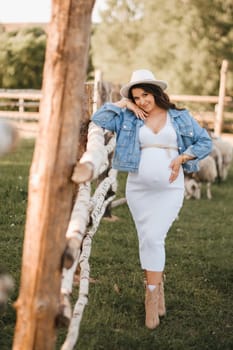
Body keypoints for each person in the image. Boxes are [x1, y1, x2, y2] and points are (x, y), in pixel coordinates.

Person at [91, 69, 212, 329]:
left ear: (156, 93)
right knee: (147, 239)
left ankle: (151, 296)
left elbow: (205, 142)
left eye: (146, 95)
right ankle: (157, 292)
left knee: (154, 237)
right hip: (138, 190)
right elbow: (98, 117)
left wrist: (182, 157)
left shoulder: (179, 117)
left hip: (169, 190)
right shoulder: (129, 115)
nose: (143, 101)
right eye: (137, 97)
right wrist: (123, 103)